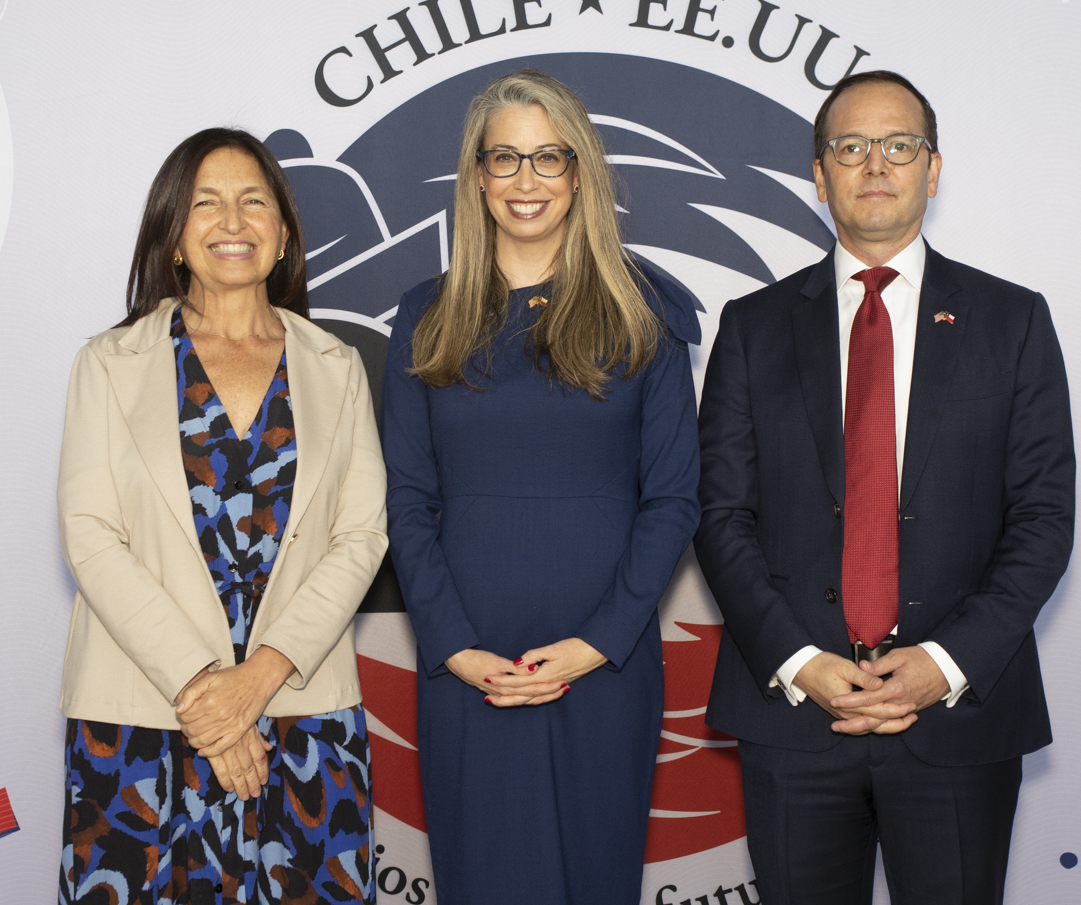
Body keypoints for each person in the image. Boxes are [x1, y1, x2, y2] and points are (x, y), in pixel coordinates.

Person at [696, 71, 1075, 905]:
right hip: (796, 714)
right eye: (850, 147)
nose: (876, 165)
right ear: (819, 175)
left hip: (959, 716)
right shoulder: (753, 327)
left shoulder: (1012, 321)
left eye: (899, 146)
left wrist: (945, 663)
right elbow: (721, 515)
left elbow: (1044, 519)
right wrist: (803, 661)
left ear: (932, 170)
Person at [381, 69, 701, 905]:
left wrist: (598, 642)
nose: (526, 181)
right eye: (506, 159)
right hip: (465, 661)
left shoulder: (645, 314)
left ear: (579, 172)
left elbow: (673, 500)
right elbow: (406, 501)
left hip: (604, 663)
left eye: (548, 158)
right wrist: (453, 647)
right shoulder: (423, 315)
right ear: (477, 176)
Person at [56, 128, 386, 905]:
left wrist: (259, 680)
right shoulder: (108, 364)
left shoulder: (338, 368)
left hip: (302, 719)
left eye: (253, 202)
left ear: (283, 235)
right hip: (144, 717)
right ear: (173, 235)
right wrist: (209, 692)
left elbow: (361, 533)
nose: (231, 221)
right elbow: (91, 535)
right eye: (206, 203)